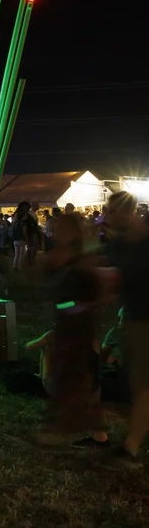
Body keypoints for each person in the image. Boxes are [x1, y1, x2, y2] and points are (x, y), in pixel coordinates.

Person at [22, 213, 111, 449]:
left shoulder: (83, 261)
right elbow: (45, 284)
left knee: (70, 379)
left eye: (62, 227)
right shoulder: (62, 257)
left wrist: (76, 308)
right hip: (68, 326)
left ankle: (50, 432)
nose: (56, 230)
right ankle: (99, 435)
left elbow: (95, 296)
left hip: (78, 329)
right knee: (81, 381)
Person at [101, 190, 147, 471]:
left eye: (111, 212)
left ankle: (130, 448)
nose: (106, 217)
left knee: (143, 386)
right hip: (131, 319)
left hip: (145, 322)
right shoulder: (118, 246)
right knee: (139, 384)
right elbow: (115, 283)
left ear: (126, 212)